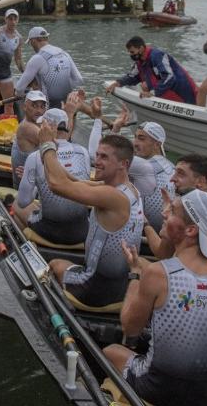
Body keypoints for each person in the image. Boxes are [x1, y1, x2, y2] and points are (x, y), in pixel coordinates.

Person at [103, 189, 207, 406]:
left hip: (160, 391)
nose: (163, 213)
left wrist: (135, 273)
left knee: (110, 351)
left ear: (191, 230)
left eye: (172, 211)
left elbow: (130, 328)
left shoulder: (157, 273)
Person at [37, 120, 144, 308]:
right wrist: (50, 155)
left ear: (123, 164)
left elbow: (57, 185)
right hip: (120, 286)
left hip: (95, 288)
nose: (97, 162)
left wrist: (46, 146)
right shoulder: (129, 189)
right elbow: (72, 181)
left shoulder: (112, 196)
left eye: (104, 157)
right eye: (97, 155)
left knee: (54, 264)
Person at [14, 106, 94, 245]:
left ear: (47, 127)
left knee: (15, 205)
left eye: (41, 125)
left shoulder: (35, 157)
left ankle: (27, 246)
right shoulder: (83, 152)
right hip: (82, 231)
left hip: (51, 231)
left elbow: (23, 201)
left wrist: (35, 184)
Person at [106, 36, 197, 104]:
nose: (131, 55)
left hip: (183, 93)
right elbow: (132, 76)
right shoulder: (139, 62)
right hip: (168, 95)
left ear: (141, 48)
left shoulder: (157, 56)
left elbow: (169, 76)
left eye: (132, 52)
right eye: (129, 52)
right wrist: (118, 83)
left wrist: (153, 93)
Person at [14, 26, 83, 108]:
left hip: (48, 109)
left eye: (30, 43)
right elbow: (79, 80)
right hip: (68, 107)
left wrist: (24, 99)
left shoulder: (37, 58)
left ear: (33, 41)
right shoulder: (64, 53)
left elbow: (19, 88)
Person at [9, 89, 48, 182]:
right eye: (34, 106)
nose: (39, 111)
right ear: (25, 107)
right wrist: (70, 114)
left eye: (42, 107)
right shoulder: (26, 127)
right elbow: (57, 146)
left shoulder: (38, 124)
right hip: (29, 186)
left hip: (37, 179)